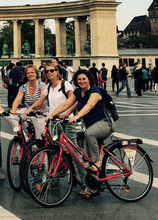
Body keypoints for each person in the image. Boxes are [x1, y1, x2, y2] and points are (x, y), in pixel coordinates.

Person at [67, 69, 113, 199]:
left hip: (104, 123)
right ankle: (94, 187)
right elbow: (67, 103)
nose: (81, 81)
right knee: (87, 155)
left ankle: (98, 162)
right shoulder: (78, 92)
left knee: (89, 134)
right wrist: (53, 115)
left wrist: (77, 116)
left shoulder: (95, 91)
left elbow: (89, 106)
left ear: (89, 79)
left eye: (84, 79)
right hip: (91, 125)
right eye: (79, 79)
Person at [38, 63, 83, 187]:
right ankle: (54, 179)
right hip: (53, 121)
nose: (49, 73)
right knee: (54, 151)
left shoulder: (65, 84)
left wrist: (68, 113)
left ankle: (86, 182)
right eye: (47, 71)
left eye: (52, 70)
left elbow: (75, 100)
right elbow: (40, 100)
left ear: (58, 72)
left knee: (73, 151)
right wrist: (29, 108)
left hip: (67, 121)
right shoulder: (48, 86)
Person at [10, 64, 46, 140]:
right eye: (28, 73)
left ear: (36, 74)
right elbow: (18, 99)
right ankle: (24, 138)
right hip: (28, 111)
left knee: (40, 139)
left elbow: (42, 99)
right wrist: (13, 109)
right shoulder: (24, 86)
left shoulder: (42, 85)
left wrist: (41, 109)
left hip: (41, 112)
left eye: (32, 72)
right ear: (26, 75)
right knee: (10, 117)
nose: (30, 74)